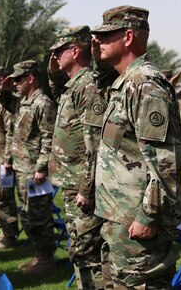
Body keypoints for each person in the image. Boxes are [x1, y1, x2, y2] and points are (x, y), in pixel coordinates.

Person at [91, 5, 181, 289]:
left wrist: (148, 217)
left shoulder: (146, 85)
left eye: (107, 36)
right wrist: (97, 58)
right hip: (118, 218)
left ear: (128, 37)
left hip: (139, 226)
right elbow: (97, 83)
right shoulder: (124, 82)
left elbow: (165, 163)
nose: (98, 41)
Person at [48, 25, 107, 290]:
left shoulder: (88, 86)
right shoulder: (72, 86)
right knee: (79, 249)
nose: (55, 56)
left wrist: (86, 187)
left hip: (82, 188)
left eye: (59, 51)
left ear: (74, 51)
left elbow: (95, 143)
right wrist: (52, 72)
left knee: (89, 252)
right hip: (71, 184)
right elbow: (55, 91)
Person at [3, 60, 56, 273]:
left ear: (31, 78)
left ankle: (46, 260)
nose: (14, 84)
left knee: (39, 217)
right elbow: (4, 100)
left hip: (34, 172)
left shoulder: (42, 103)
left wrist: (42, 167)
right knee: (26, 215)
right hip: (20, 167)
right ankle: (38, 256)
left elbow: (49, 138)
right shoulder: (22, 101)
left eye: (18, 79)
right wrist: (5, 87)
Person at [0, 66, 19, 249]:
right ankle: (2, 231)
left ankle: (9, 235)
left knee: (3, 198)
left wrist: (7, 159)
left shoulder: (8, 104)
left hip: (3, 161)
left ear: (1, 80)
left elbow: (11, 133)